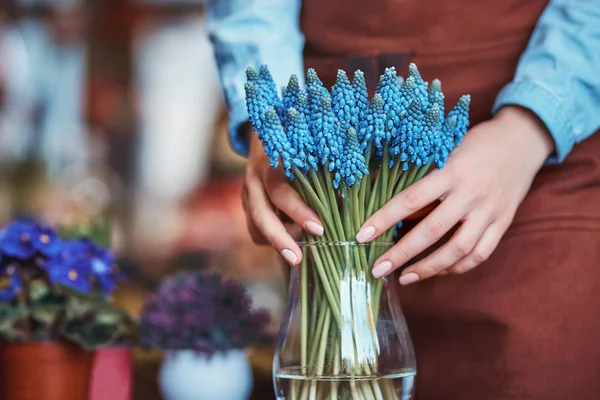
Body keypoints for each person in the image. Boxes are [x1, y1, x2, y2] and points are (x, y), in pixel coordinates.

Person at [204, 0, 600, 398]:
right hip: (320, 151)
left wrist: (529, 127)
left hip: (529, 156)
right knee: (326, 374)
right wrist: (269, 123)